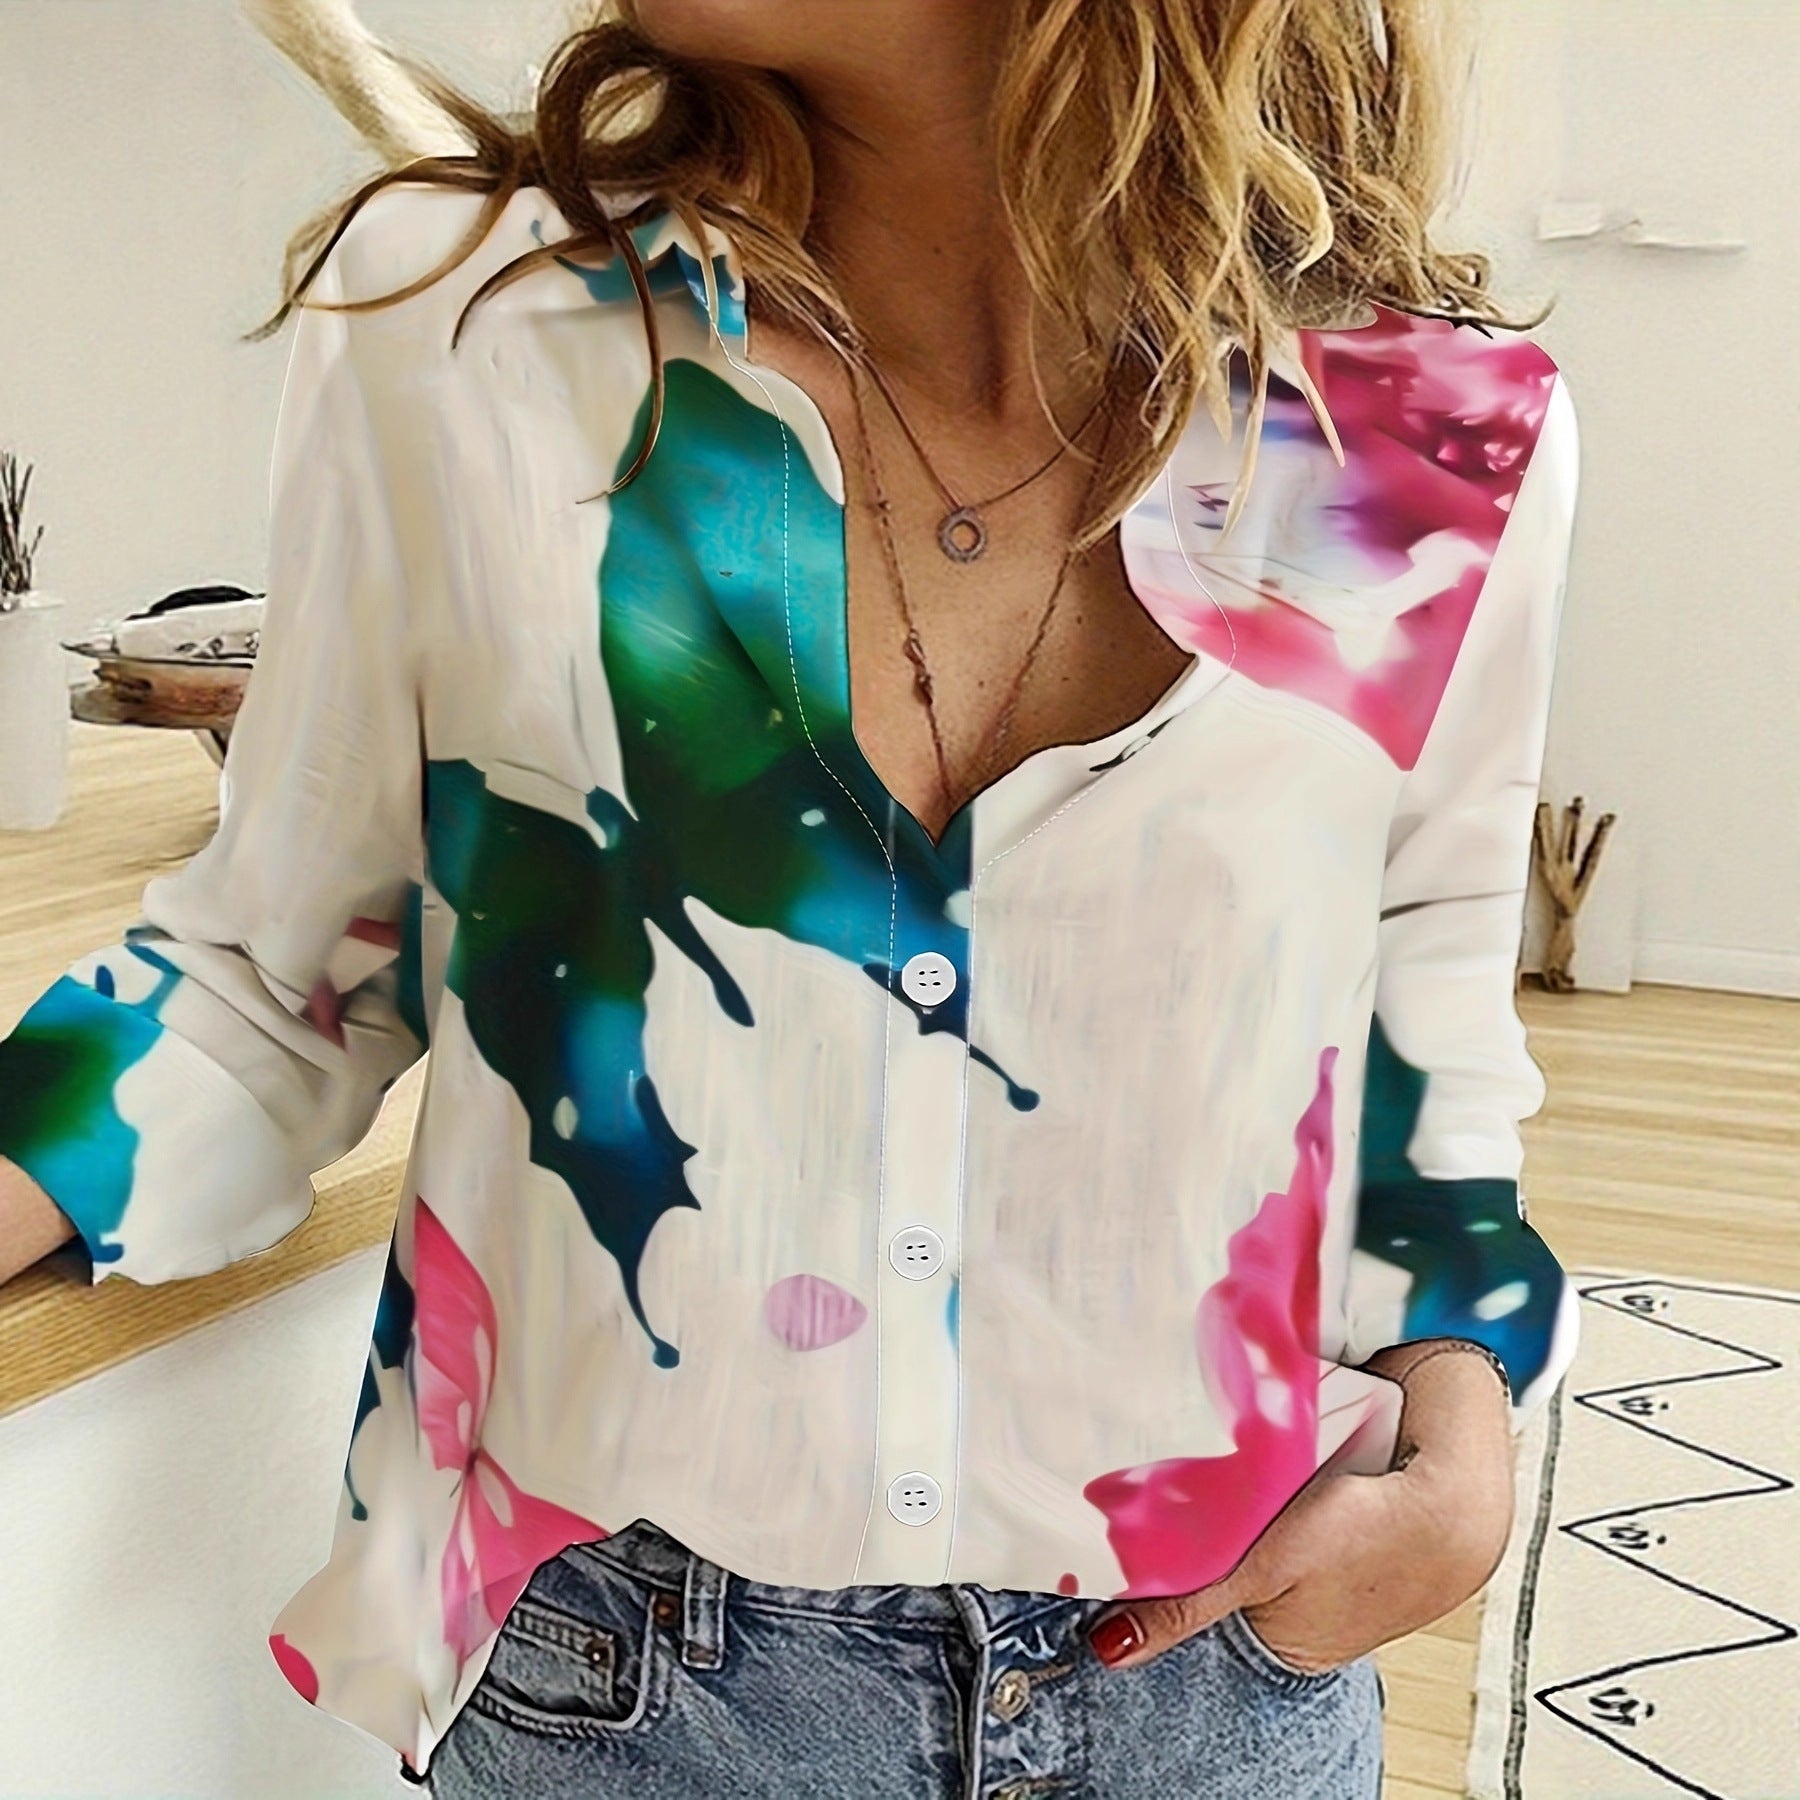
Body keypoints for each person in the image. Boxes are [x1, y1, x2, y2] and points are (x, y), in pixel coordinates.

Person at [0, 1, 1583, 1793]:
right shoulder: (473, 327)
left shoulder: (1426, 430)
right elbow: (284, 962)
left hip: (1219, 1682)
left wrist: (1464, 1395)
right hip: (633, 1695)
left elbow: (1421, 1018)